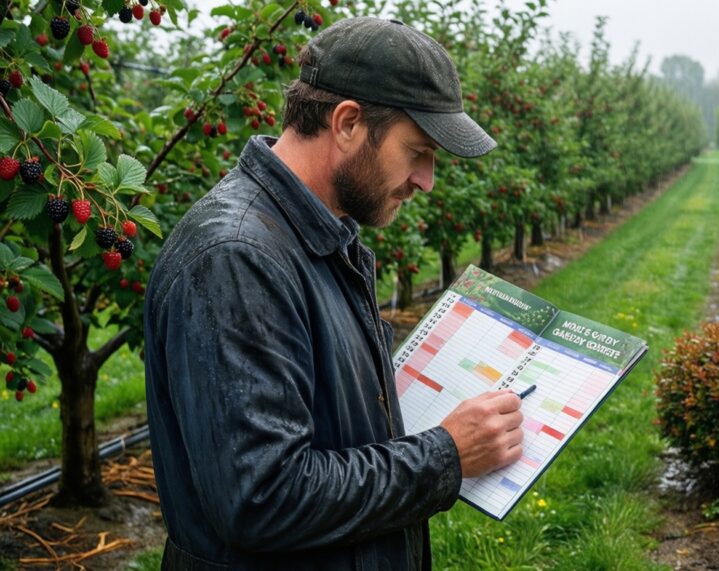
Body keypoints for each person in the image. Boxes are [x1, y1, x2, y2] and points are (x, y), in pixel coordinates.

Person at [144, 16, 525, 570]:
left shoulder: (317, 236)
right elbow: (263, 497)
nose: (426, 181)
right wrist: (445, 454)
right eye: (417, 151)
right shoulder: (237, 258)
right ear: (347, 123)